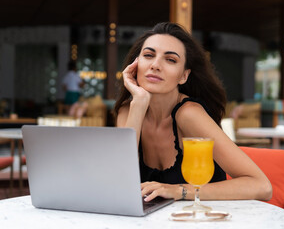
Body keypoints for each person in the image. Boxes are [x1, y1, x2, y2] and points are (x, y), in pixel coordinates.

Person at [114, 22, 272, 202]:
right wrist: (139, 103)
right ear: (135, 66)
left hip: (204, 219)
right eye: (148, 55)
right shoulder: (129, 111)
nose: (155, 65)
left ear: (183, 76)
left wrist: (177, 191)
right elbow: (119, 181)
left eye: (171, 60)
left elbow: (262, 186)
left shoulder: (189, 114)